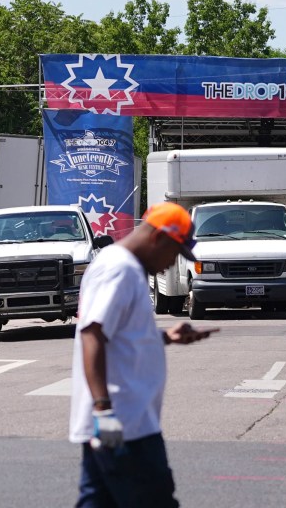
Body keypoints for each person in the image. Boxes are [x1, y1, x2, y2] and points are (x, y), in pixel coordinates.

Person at [70, 202, 218, 507]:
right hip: (125, 423)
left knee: (98, 501)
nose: (170, 263)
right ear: (159, 238)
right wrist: (103, 411)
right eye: (175, 252)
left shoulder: (124, 267)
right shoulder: (119, 269)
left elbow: (118, 334)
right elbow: (92, 333)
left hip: (120, 420)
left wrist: (164, 337)